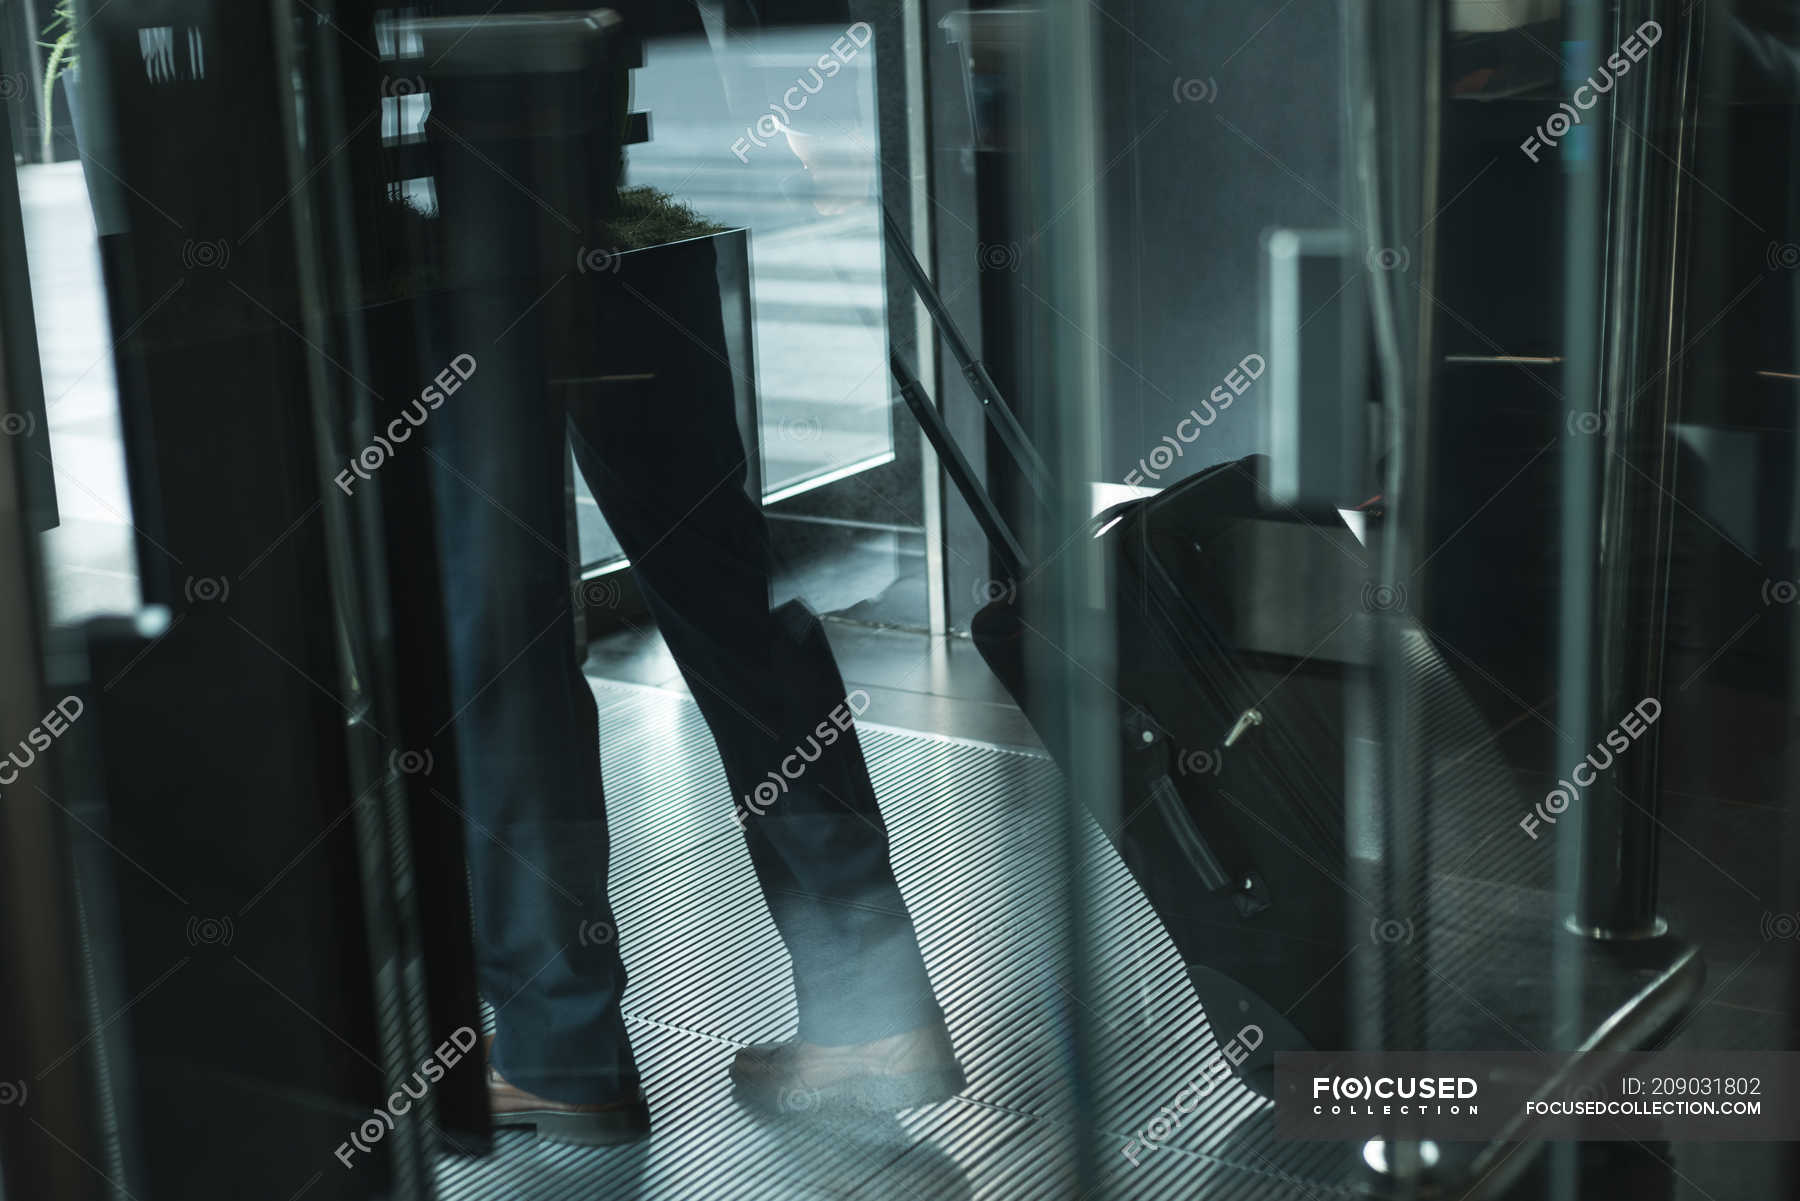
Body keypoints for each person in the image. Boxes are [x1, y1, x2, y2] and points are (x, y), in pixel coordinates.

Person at [413, 1, 962, 1145]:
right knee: (718, 571)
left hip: (465, 120)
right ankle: (872, 1006)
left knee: (495, 594)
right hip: (633, 97)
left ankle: (560, 1044)